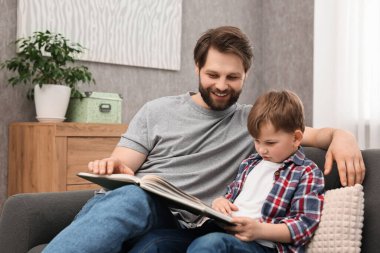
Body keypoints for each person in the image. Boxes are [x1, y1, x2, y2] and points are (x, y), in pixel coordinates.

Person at [42, 26, 364, 253]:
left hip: (184, 231)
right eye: (213, 75)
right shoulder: (157, 111)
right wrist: (113, 166)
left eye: (232, 77)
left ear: (245, 75)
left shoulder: (254, 125)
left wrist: (343, 135)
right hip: (143, 209)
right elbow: (122, 167)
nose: (222, 85)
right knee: (134, 198)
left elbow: (308, 134)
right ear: (198, 68)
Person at [131, 90, 324, 253]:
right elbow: (231, 196)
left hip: (261, 244)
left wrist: (260, 231)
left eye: (270, 143)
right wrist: (220, 202)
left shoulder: (306, 172)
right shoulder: (250, 163)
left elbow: (304, 225)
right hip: (223, 232)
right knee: (155, 242)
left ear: (297, 138)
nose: (262, 149)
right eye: (256, 141)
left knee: (211, 244)